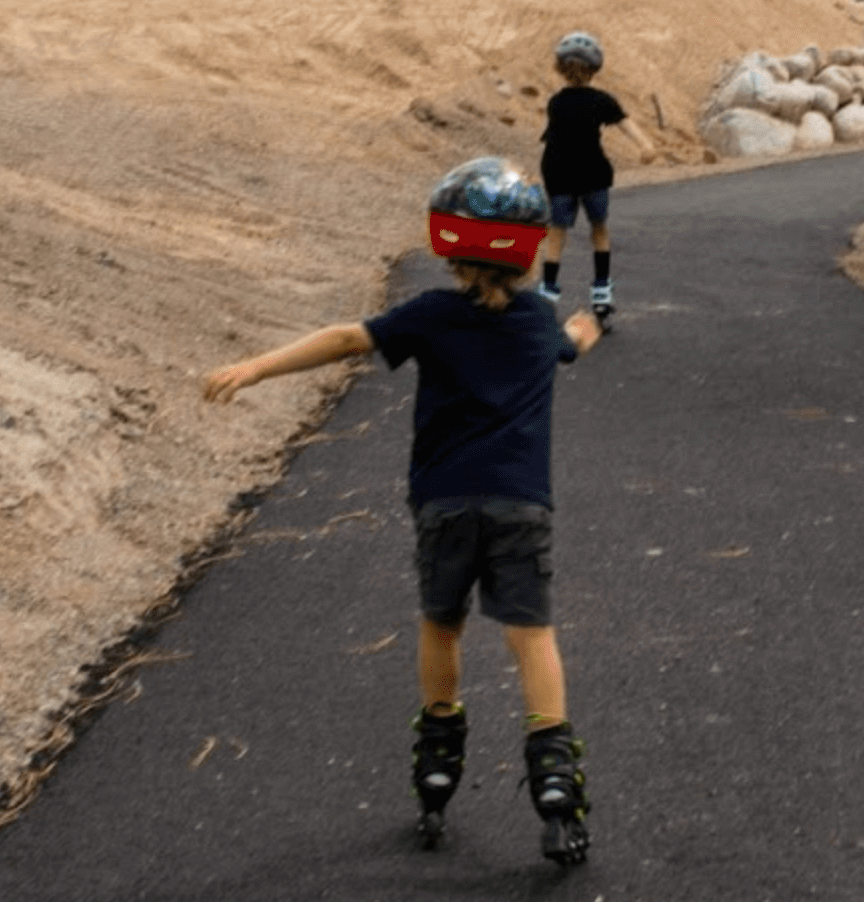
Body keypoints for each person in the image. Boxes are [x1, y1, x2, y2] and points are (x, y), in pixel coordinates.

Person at [200, 157, 607, 865]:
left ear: (447, 239)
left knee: (441, 625)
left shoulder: (430, 314)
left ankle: (441, 752)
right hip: (521, 506)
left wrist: (259, 367)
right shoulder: (540, 328)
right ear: (528, 244)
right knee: (530, 636)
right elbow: (572, 344)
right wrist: (585, 331)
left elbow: (349, 338)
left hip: (444, 504)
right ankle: (553, 777)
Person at [536, 29, 628, 321]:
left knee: (556, 235)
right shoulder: (602, 100)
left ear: (561, 67)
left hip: (559, 174)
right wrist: (648, 146)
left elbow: (552, 140)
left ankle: (548, 294)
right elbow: (626, 124)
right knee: (599, 229)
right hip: (592, 174)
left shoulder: (555, 103)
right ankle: (601, 294)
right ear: (594, 67)